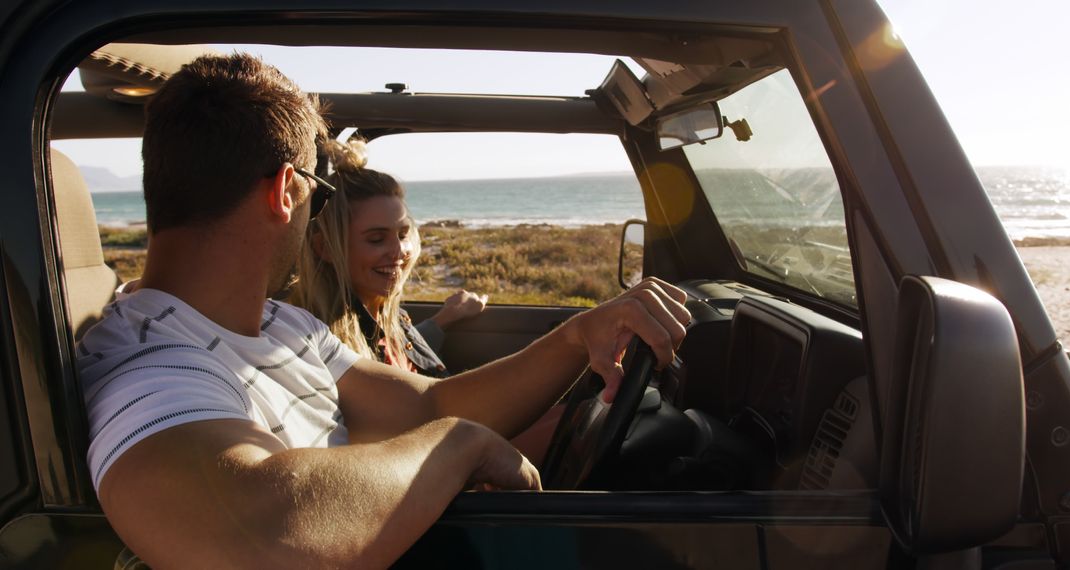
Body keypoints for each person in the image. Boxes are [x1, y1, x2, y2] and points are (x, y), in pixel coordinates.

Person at [76, 53, 690, 569]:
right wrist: (456, 447)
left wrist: (576, 336)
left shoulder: (277, 323)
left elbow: (429, 405)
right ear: (285, 191)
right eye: (317, 196)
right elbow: (258, 532)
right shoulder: (148, 360)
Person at [288, 140, 485, 377]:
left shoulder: (387, 313)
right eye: (376, 239)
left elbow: (397, 347)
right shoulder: (320, 343)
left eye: (403, 234)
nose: (399, 251)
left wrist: (446, 317)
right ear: (326, 248)